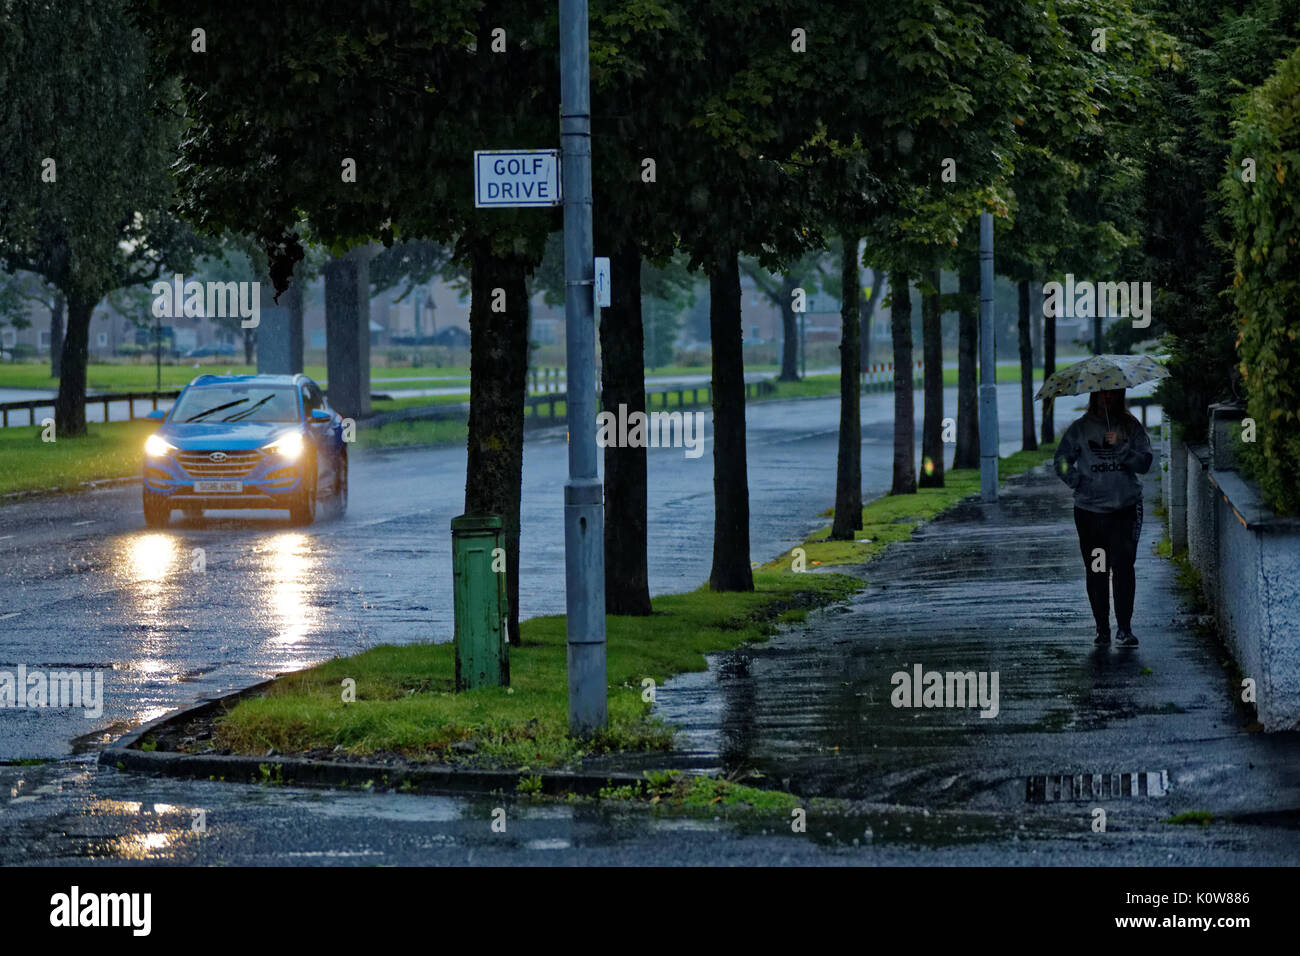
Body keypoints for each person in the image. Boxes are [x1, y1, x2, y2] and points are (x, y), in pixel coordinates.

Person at [1053, 388, 1153, 647]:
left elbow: (1145, 463)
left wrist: (1122, 448)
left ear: (1120, 395)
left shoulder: (1131, 427)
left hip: (1125, 509)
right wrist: (1076, 481)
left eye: (1113, 393)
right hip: (1090, 512)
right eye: (1102, 394)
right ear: (1094, 396)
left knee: (1123, 567)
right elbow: (1061, 460)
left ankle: (1124, 627)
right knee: (1097, 569)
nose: (1107, 397)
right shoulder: (1080, 429)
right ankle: (1102, 628)